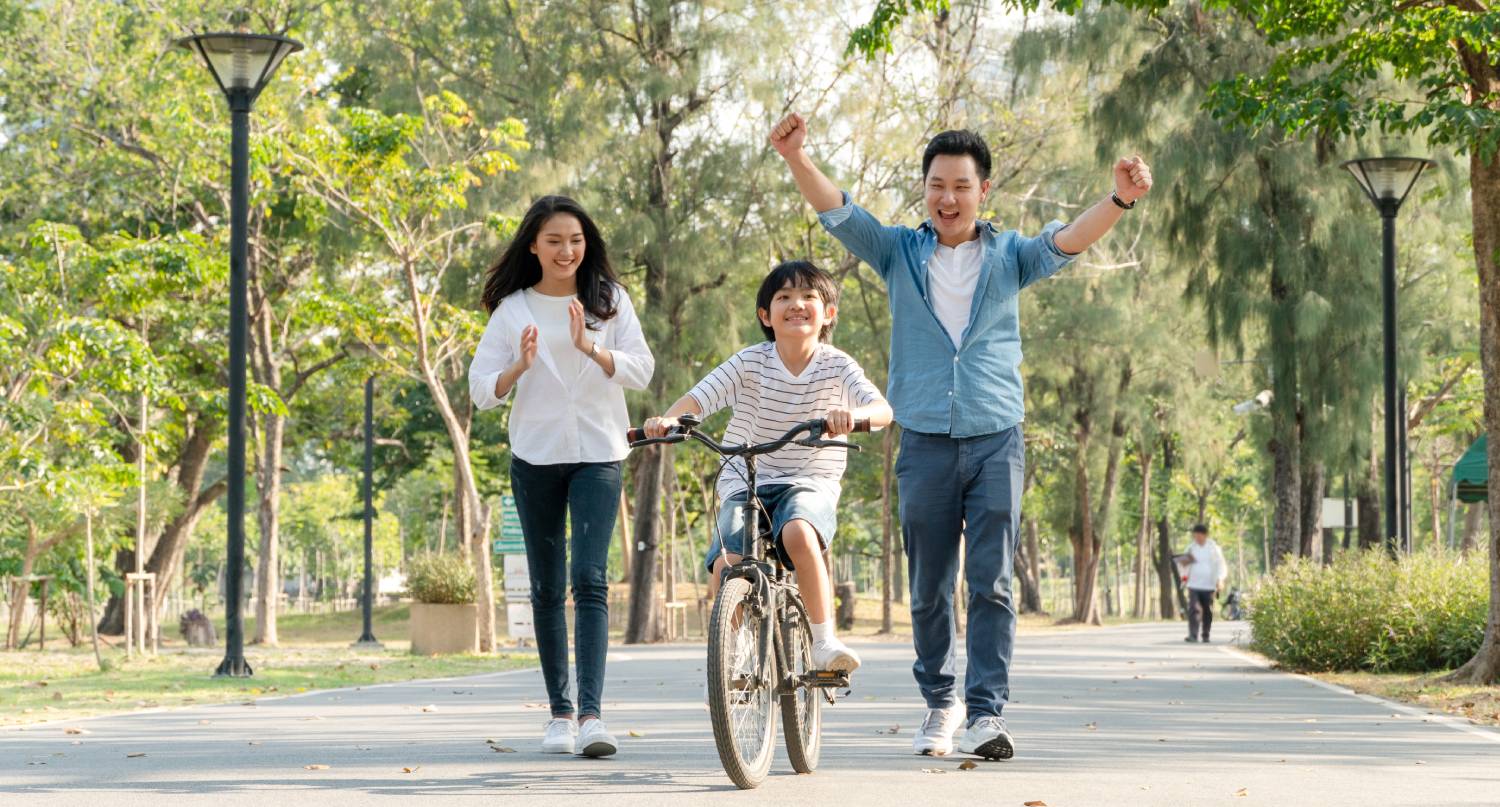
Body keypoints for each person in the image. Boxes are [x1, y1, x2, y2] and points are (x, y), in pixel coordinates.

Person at [769, 112, 1152, 759]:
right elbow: (838, 210)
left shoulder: (1010, 256)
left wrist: (1119, 198)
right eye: (937, 185)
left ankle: (986, 712)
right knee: (928, 583)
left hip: (996, 436)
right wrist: (797, 158)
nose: (948, 198)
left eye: (962, 186)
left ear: (983, 191)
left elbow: (1070, 239)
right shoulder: (898, 251)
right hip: (923, 438)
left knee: (993, 581)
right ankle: (940, 702)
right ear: (925, 191)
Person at [468, 195, 655, 758]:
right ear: (533, 245)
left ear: (586, 244)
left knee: (590, 578)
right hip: (536, 456)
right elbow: (481, 392)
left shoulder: (609, 301)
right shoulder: (513, 311)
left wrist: (590, 347)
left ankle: (594, 717)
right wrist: (518, 368)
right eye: (554, 240)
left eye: (575, 240)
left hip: (599, 451)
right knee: (547, 587)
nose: (567, 250)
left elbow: (642, 371)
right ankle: (560, 715)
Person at [643, 260, 893, 673]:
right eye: (784, 297)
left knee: (797, 531)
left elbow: (882, 409)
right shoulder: (750, 362)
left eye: (809, 297)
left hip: (811, 478)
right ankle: (737, 651)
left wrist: (854, 416)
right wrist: (667, 421)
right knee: (729, 561)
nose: (797, 304)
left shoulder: (838, 366)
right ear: (765, 315)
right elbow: (697, 400)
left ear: (828, 313)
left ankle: (823, 641)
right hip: (746, 475)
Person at [1179, 524, 1228, 643]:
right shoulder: (1191, 548)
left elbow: (1221, 565)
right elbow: (1183, 566)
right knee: (1193, 609)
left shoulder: (1214, 549)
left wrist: (1220, 579)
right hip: (1193, 584)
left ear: (1205, 535)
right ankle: (1193, 635)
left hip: (1209, 585)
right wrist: (1184, 579)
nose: (1197, 538)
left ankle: (1206, 634)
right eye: (1195, 536)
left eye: (1199, 536)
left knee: (1207, 610)